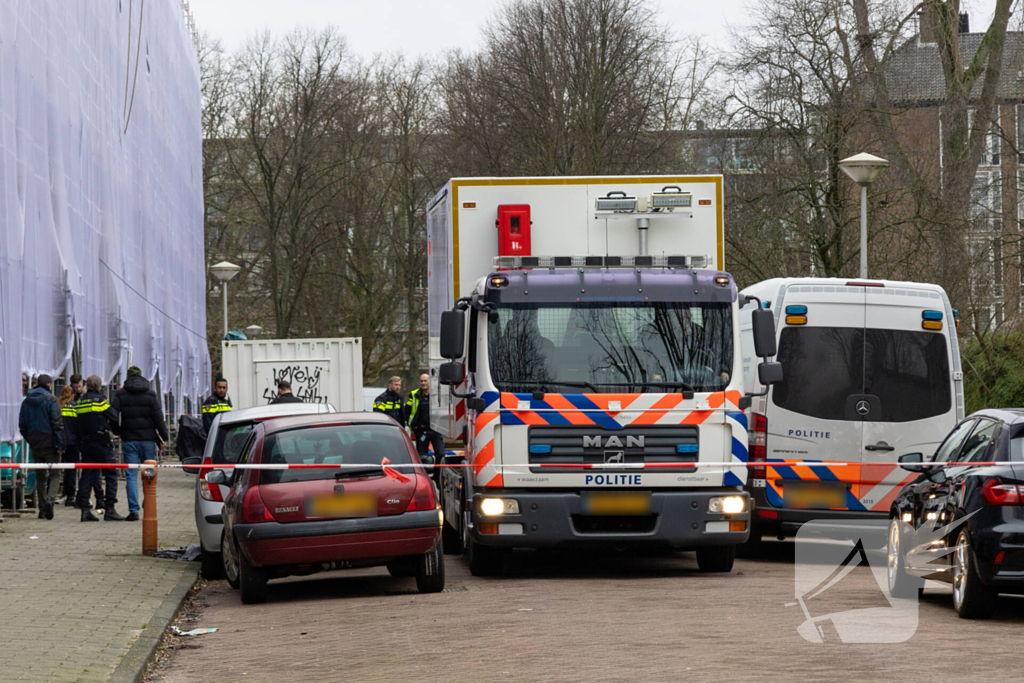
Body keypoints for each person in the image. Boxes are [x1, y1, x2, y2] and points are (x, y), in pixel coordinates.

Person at [112, 366, 169, 522]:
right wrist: (164, 438)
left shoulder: (121, 394)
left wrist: (118, 431)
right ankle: (148, 503)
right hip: (148, 441)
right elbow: (158, 418)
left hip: (129, 439)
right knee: (148, 474)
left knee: (131, 476)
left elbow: (113, 415)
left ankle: (134, 510)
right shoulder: (150, 394)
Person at [75, 375, 123, 522]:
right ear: (98, 386)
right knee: (110, 474)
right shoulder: (101, 402)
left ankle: (85, 510)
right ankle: (110, 509)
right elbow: (114, 416)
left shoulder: (80, 403)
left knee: (87, 476)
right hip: (101, 443)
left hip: (85, 444)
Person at [18, 375, 64, 520]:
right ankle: (50, 499)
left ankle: (42, 509)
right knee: (55, 473)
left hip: (35, 444)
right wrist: (61, 445)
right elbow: (57, 424)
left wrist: (30, 439)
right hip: (50, 444)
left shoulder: (26, 401)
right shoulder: (51, 400)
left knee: (41, 476)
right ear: (49, 385)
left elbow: (22, 425)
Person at [406, 373, 444, 467]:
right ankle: (425, 476)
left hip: (436, 430)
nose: (423, 383)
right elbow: (407, 410)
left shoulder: (437, 394)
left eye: (425, 380)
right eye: (421, 381)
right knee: (422, 457)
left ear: (430, 382)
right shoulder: (413, 394)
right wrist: (412, 425)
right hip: (421, 430)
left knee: (440, 454)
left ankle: (437, 475)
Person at [58, 383, 80, 507]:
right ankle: (70, 495)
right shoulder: (75, 407)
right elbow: (78, 425)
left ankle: (62, 493)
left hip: (60, 442)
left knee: (58, 469)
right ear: (72, 395)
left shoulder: (58, 407)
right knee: (71, 469)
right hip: (73, 442)